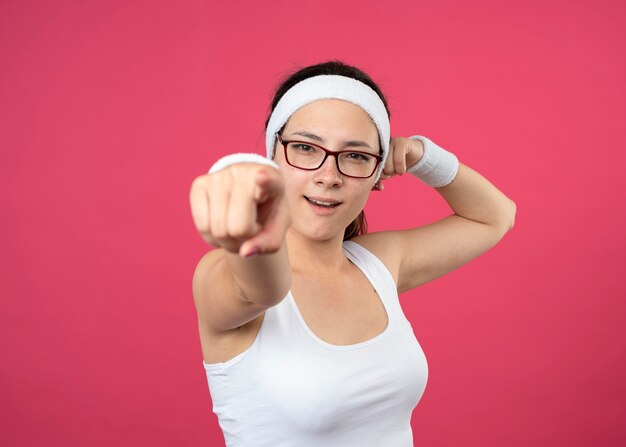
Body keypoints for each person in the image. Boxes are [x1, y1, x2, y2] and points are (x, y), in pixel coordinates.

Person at [189, 61, 516, 446]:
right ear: (273, 155)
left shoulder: (378, 263)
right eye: (306, 148)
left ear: (376, 175)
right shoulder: (225, 273)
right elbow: (263, 289)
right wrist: (247, 212)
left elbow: (496, 217)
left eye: (356, 155)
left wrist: (423, 157)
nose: (329, 175)